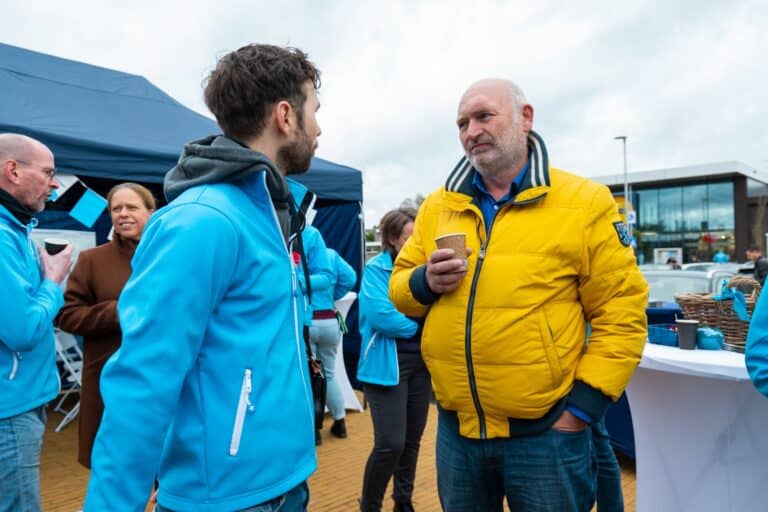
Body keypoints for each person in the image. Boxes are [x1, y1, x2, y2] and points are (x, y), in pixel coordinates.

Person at [389, 79, 648, 511]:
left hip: (546, 435)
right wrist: (424, 282)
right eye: (461, 123)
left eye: (484, 116)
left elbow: (621, 313)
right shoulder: (438, 206)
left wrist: (580, 411)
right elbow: (399, 290)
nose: (471, 131)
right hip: (458, 434)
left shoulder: (584, 202)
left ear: (525, 118)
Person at [84, 44, 322, 511]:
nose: (319, 128)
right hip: (228, 497)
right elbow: (143, 380)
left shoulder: (271, 216)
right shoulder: (201, 221)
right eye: (314, 111)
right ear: (285, 116)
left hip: (285, 480)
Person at [56, 183, 156, 469]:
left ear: (152, 212)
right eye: (116, 208)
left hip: (163, 381)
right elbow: (67, 316)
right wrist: (119, 311)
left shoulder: (170, 258)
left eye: (132, 207)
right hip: (110, 383)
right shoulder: (93, 260)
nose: (123, 214)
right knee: (116, 470)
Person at [0, 133, 73, 512]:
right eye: (48, 172)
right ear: (12, 170)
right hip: (10, 410)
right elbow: (23, 331)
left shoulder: (16, 229)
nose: (55, 184)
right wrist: (53, 281)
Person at [359, 207, 431, 512]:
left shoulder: (426, 268)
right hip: (386, 366)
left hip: (420, 366)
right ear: (392, 238)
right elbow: (382, 316)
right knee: (391, 443)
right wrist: (421, 325)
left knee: (412, 441)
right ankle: (370, 505)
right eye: (409, 237)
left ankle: (403, 501)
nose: (416, 243)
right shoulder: (377, 269)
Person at [310, 242, 357, 442]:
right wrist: (332, 295)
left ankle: (315, 430)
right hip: (330, 321)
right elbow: (350, 278)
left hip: (308, 322)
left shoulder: (296, 253)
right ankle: (340, 423)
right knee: (329, 374)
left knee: (310, 376)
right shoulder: (331, 254)